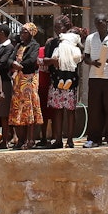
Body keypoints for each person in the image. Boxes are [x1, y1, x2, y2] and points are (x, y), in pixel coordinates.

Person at [84, 13, 108, 148]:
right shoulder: (90, 38)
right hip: (94, 77)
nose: (99, 25)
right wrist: (92, 63)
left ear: (106, 22)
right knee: (94, 109)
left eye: (101, 22)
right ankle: (93, 138)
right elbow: (86, 58)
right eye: (97, 23)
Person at [43, 16, 81, 149]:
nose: (57, 30)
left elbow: (79, 57)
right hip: (56, 80)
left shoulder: (74, 41)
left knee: (70, 111)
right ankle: (58, 139)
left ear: (67, 28)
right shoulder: (52, 43)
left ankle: (70, 140)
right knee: (57, 111)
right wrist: (53, 61)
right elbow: (45, 60)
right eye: (55, 28)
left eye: (59, 27)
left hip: (71, 81)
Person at [7, 23, 43, 150]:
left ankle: (30, 139)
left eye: (25, 32)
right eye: (21, 32)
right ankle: (20, 139)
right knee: (19, 109)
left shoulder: (34, 45)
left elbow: (32, 59)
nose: (22, 34)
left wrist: (20, 65)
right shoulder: (18, 45)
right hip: (18, 80)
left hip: (28, 79)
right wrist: (13, 64)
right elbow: (10, 59)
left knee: (29, 109)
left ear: (31, 33)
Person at [0, 23, 17, 148]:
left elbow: (4, 63)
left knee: (4, 114)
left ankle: (5, 141)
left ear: (2, 33)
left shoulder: (9, 47)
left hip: (4, 82)